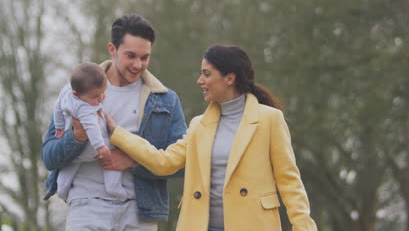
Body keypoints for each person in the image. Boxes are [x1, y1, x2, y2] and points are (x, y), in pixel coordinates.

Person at [106, 45, 318, 231]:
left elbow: (290, 182)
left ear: (230, 78)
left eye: (207, 74)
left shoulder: (270, 119)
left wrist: (303, 226)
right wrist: (117, 133)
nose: (200, 81)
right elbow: (164, 163)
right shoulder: (199, 125)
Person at [42, 14, 187, 230]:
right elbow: (49, 157)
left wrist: (134, 162)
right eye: (131, 56)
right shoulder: (76, 93)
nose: (138, 64)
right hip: (86, 205)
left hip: (140, 213)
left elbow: (183, 164)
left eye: (145, 57)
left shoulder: (165, 100)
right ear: (112, 49)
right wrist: (77, 137)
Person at [54, 62, 130, 201]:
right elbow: (92, 128)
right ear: (76, 94)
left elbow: (57, 107)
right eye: (96, 96)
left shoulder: (66, 91)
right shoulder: (85, 109)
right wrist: (101, 147)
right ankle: (121, 193)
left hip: (75, 153)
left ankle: (62, 191)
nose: (101, 98)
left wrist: (59, 126)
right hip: (95, 148)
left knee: (67, 171)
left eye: (103, 92)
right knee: (112, 168)